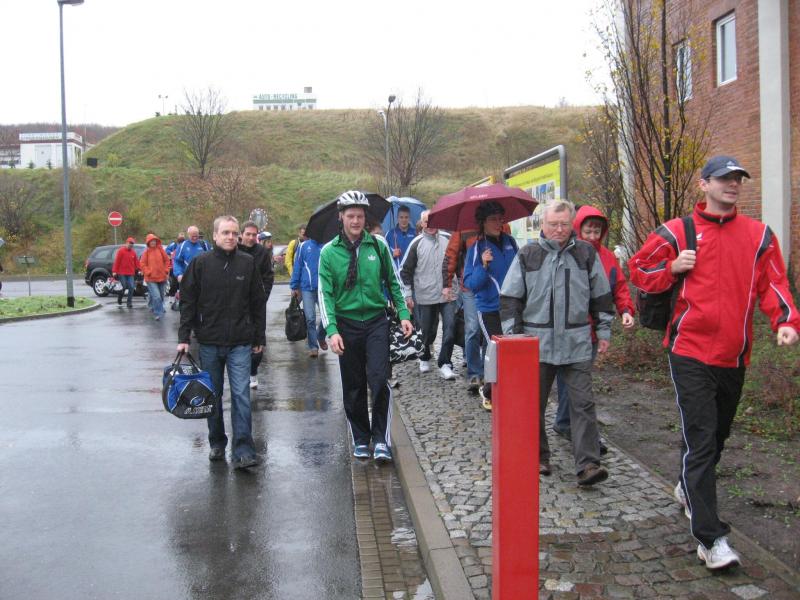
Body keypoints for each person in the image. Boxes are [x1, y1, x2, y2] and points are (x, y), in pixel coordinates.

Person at [628, 155, 800, 570]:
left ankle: (687, 486)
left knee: (715, 437)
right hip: (689, 350)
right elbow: (639, 269)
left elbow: (774, 282)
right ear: (704, 184)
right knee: (703, 439)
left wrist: (785, 321)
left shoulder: (758, 235)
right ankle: (711, 538)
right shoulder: (677, 230)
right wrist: (672, 267)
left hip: (733, 355)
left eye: (738, 179)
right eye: (724, 178)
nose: (732, 184)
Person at [500, 199, 614, 486]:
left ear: (571, 224)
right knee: (532, 404)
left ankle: (588, 464)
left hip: (576, 343)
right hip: (535, 344)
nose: (559, 230)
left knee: (583, 404)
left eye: (564, 224)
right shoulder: (528, 254)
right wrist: (514, 338)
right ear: (543, 224)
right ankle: (538, 456)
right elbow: (511, 298)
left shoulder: (586, 254)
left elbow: (601, 295)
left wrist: (604, 332)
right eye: (553, 224)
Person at [318, 190, 413, 463]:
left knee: (379, 379)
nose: (356, 221)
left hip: (375, 322)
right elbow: (325, 294)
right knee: (354, 385)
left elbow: (393, 282)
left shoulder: (378, 245)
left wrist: (403, 313)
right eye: (351, 216)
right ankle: (361, 437)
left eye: (360, 216)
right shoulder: (329, 252)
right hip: (346, 324)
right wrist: (332, 330)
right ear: (341, 217)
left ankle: (381, 438)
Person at [177, 215, 267, 470]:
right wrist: (184, 337)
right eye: (225, 232)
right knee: (212, 395)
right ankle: (217, 442)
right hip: (209, 342)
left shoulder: (247, 263)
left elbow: (258, 302)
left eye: (234, 233)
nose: (230, 237)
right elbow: (188, 302)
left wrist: (258, 337)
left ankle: (244, 450)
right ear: (215, 235)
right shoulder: (200, 264)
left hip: (240, 342)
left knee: (241, 395)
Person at [552, 205, 636, 448]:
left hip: (592, 331)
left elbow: (619, 287)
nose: (592, 236)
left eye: (596, 231)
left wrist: (626, 311)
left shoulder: (608, 257)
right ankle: (571, 426)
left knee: (578, 380)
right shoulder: (566, 253)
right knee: (573, 381)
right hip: (567, 329)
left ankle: (567, 423)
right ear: (578, 229)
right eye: (587, 231)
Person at [463, 202, 518, 410]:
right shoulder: (476, 248)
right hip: (489, 309)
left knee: (512, 350)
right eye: (493, 219)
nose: (498, 223)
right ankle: (488, 390)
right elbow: (471, 284)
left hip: (512, 307)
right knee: (499, 350)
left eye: (500, 218)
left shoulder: (510, 242)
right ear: (483, 223)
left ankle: (505, 388)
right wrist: (483, 265)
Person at [400, 210, 457, 380]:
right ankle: (424, 356)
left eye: (433, 220)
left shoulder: (448, 239)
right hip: (424, 295)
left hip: (447, 294)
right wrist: (408, 294)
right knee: (426, 330)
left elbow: (458, 262)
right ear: (422, 224)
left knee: (450, 328)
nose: (430, 225)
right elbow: (405, 271)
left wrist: (458, 286)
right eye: (426, 221)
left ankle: (445, 363)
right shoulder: (416, 243)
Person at [240, 221, 275, 388]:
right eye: (248, 234)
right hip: (236, 304)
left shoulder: (261, 252)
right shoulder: (234, 250)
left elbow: (268, 276)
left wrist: (263, 296)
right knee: (239, 343)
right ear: (241, 234)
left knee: (258, 343)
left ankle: (253, 371)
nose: (251, 237)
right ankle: (241, 375)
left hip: (257, 305)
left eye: (254, 235)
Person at [290, 237, 328, 357]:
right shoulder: (303, 246)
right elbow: (298, 266)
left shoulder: (327, 247)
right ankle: (313, 347)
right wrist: (294, 286)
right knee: (310, 318)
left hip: (324, 289)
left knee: (328, 317)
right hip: (307, 288)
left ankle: (320, 336)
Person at [139, 233, 171, 320]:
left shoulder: (161, 250)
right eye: (151, 241)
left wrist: (166, 270)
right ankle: (158, 313)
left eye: (154, 241)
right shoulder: (146, 252)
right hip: (151, 279)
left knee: (161, 296)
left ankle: (155, 307)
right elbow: (142, 264)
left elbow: (167, 261)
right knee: (156, 296)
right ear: (148, 242)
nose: (153, 242)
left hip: (162, 277)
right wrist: (148, 272)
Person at [112, 237, 140, 308]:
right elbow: (117, 261)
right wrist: (114, 271)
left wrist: (140, 269)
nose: (131, 244)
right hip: (122, 273)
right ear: (126, 243)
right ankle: (120, 298)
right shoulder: (121, 251)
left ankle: (129, 302)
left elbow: (136, 262)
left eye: (132, 243)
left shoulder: (133, 252)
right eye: (130, 243)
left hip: (130, 273)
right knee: (123, 287)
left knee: (131, 287)